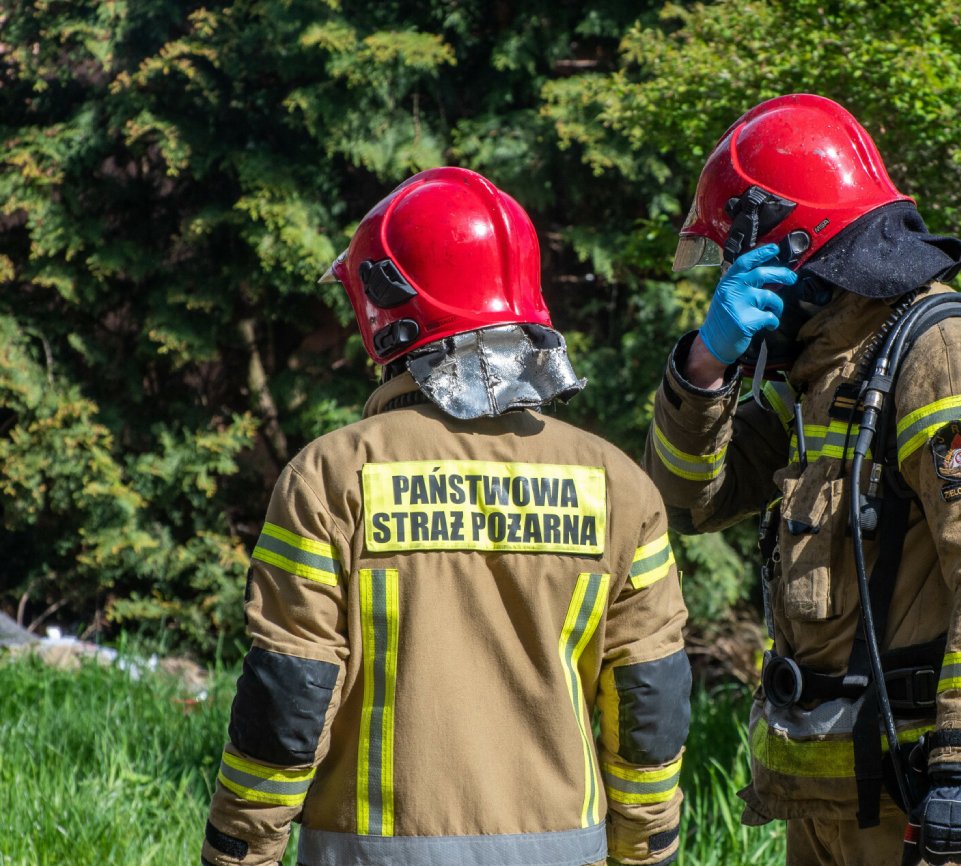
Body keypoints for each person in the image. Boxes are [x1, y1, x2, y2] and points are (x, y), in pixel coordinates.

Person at [202, 167, 690, 866]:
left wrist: (236, 855)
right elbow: (649, 703)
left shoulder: (331, 477)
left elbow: (288, 700)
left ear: (387, 308)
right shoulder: (620, 487)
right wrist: (647, 854)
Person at [644, 94, 961, 866]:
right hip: (825, 809)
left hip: (926, 805)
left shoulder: (945, 353)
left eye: (737, 255)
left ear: (792, 248)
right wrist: (705, 367)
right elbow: (686, 500)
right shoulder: (820, 374)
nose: (730, 274)